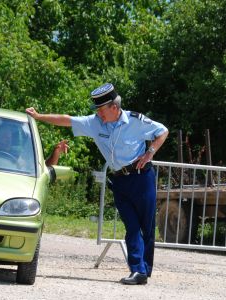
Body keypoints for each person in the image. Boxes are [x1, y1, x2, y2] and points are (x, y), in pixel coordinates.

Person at [26, 83, 168, 285]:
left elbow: (163, 131)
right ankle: (138, 270)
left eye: (101, 110)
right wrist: (40, 117)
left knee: (146, 225)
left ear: (114, 107)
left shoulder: (136, 121)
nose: (99, 114)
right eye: (97, 111)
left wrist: (150, 152)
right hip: (119, 180)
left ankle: (145, 269)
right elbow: (67, 120)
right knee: (132, 226)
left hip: (141, 176)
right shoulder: (94, 123)